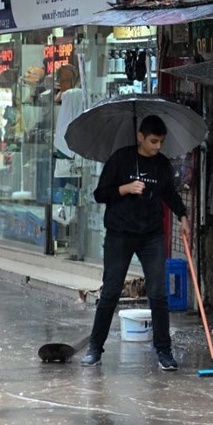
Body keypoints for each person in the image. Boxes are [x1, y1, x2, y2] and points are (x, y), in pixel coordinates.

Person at [81, 115, 190, 371]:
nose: (157, 147)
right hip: (120, 233)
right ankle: (95, 348)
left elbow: (170, 195)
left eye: (161, 142)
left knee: (158, 293)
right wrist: (125, 188)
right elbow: (100, 194)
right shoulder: (120, 159)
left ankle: (164, 351)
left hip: (151, 234)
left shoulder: (162, 165)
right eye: (153, 141)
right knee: (110, 291)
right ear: (140, 137)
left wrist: (183, 216)